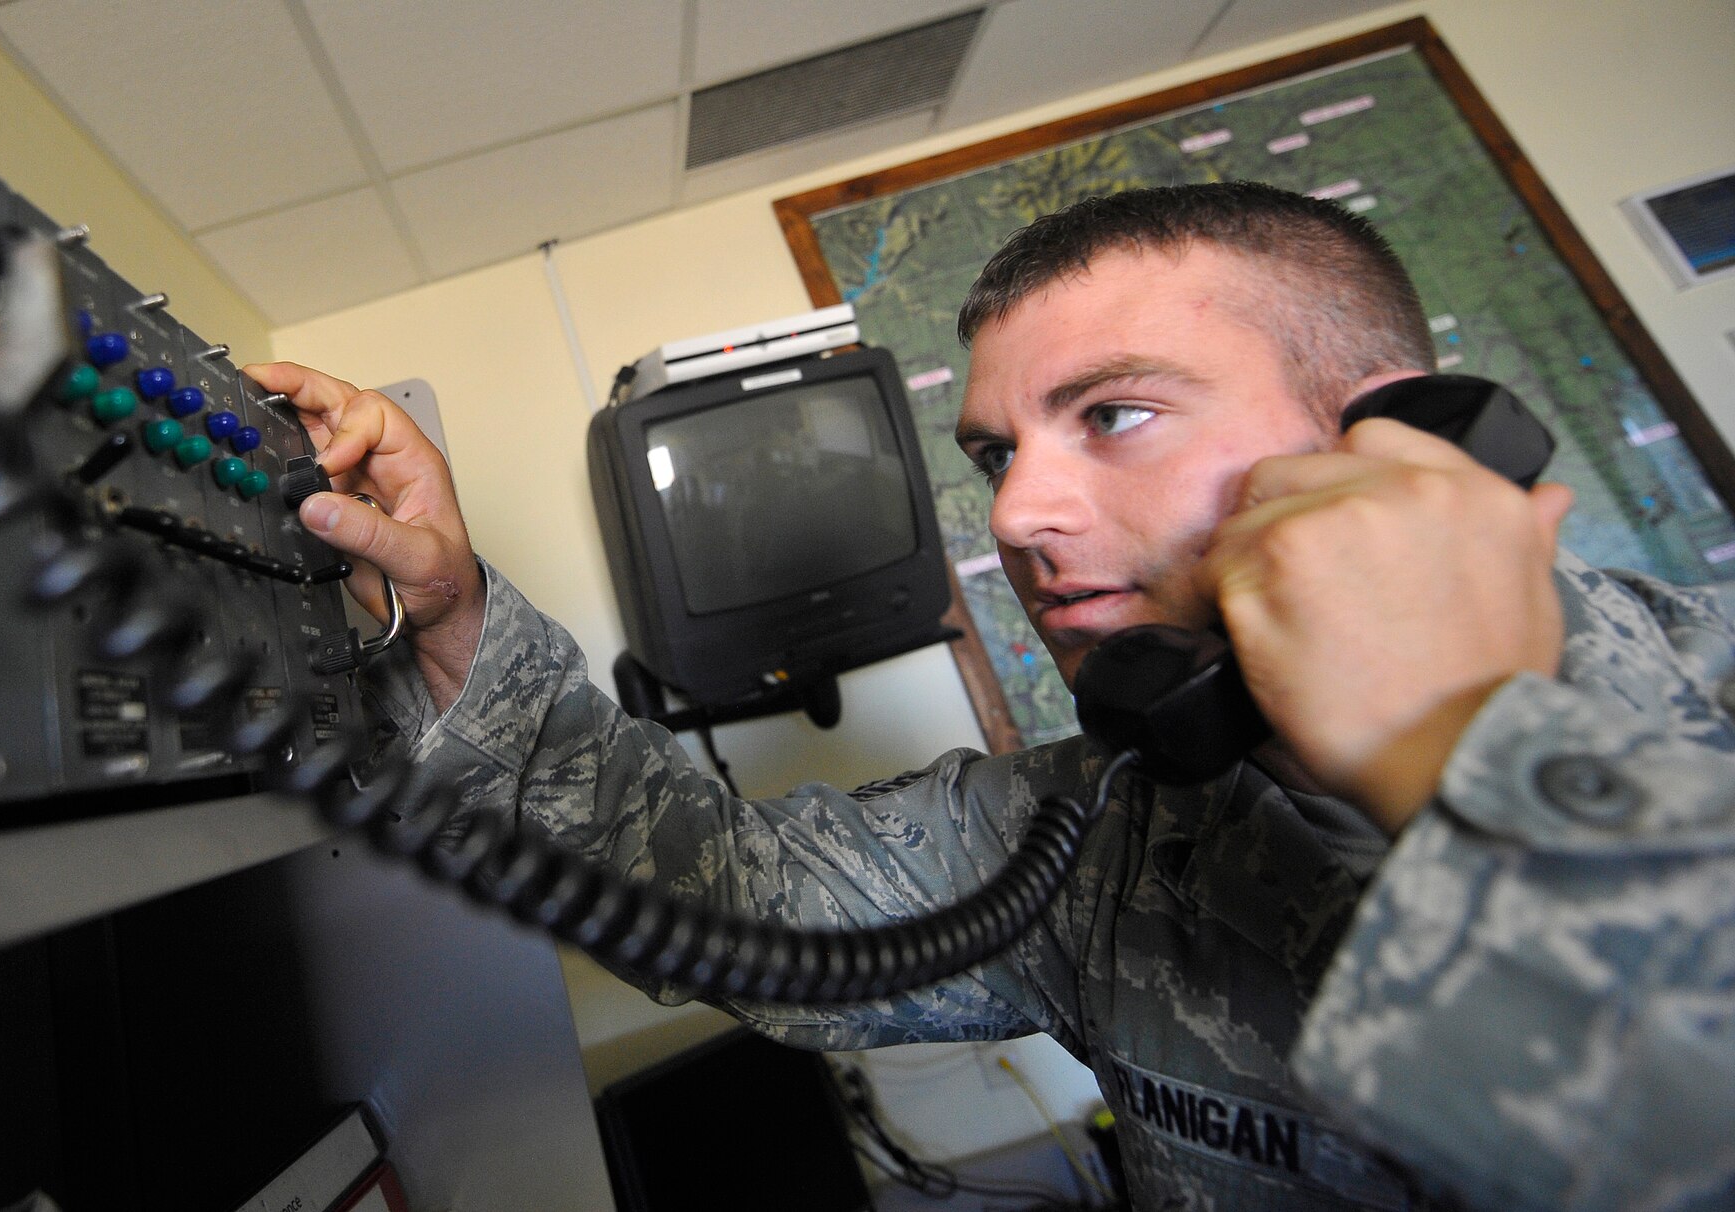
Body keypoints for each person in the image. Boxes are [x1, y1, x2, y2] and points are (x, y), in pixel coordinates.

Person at [246, 182, 1735, 1212]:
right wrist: (452, 622)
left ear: (1396, 437)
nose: (1019, 514)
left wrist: (1457, 743)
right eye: (994, 453)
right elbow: (721, 904)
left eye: (1116, 415)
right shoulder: (1094, 837)